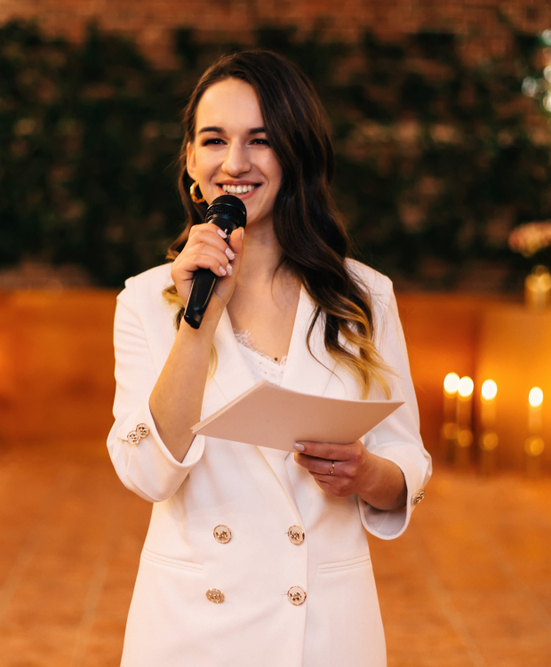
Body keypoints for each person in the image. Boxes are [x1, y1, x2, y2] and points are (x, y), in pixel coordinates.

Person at [107, 50, 432, 667]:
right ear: (190, 160)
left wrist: (366, 475)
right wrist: (197, 319)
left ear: (295, 153)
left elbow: (406, 458)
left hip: (326, 629)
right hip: (191, 630)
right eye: (214, 140)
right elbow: (147, 473)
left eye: (261, 140)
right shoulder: (148, 300)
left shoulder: (364, 296)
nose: (235, 163)